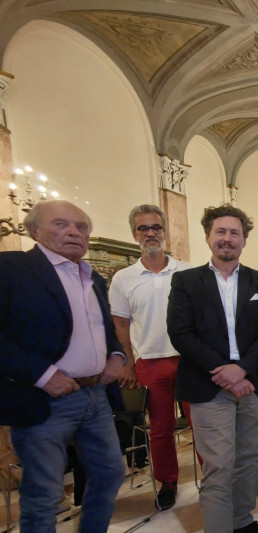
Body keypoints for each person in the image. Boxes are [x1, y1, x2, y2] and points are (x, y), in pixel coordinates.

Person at [0, 200, 127, 532]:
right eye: (60, 224)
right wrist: (42, 375)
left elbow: (105, 331)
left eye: (81, 226)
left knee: (110, 473)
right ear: (34, 230)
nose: (73, 232)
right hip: (43, 401)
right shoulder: (12, 268)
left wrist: (116, 355)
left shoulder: (93, 277)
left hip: (95, 396)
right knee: (44, 494)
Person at [167, 205, 258, 533]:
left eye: (235, 233)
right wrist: (224, 371)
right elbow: (180, 333)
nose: (227, 239)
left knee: (249, 462)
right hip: (208, 386)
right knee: (218, 467)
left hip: (255, 384)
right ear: (208, 237)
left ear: (244, 240)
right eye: (221, 232)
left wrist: (242, 369)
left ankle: (243, 521)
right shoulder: (186, 282)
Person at [109, 204, 194, 510]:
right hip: (150, 361)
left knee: (201, 423)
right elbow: (120, 324)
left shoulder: (187, 270)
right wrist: (128, 364)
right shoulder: (124, 278)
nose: (150, 233)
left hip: (189, 361)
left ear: (164, 231)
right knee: (160, 428)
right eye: (143, 228)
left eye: (155, 227)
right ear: (135, 234)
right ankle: (167, 482)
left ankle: (213, 478)